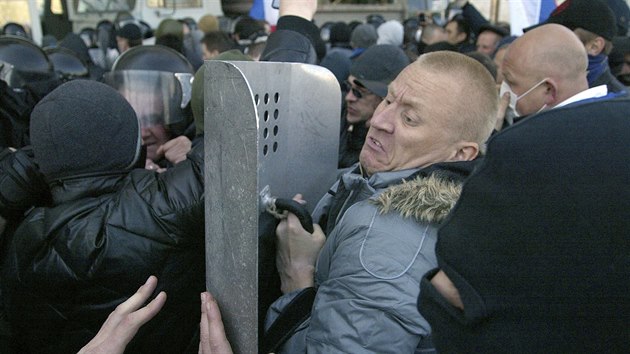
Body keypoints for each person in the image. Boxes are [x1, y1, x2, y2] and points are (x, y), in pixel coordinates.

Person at [418, 23, 630, 352]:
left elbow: (457, 283)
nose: (504, 91)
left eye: (512, 84)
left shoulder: (525, 149)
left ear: (548, 90)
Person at [0, 80, 205, 354]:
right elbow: (229, 155)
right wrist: (191, 147)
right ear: (132, 146)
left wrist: (40, 160)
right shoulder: (157, 207)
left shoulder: (22, 235)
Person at [526, 0, 627, 94]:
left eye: (558, 37)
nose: (545, 42)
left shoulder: (617, 106)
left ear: (594, 47)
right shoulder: (540, 83)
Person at [338, 44, 410, 168]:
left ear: (386, 99)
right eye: (348, 87)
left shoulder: (399, 140)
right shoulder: (335, 111)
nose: (349, 97)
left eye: (359, 92)